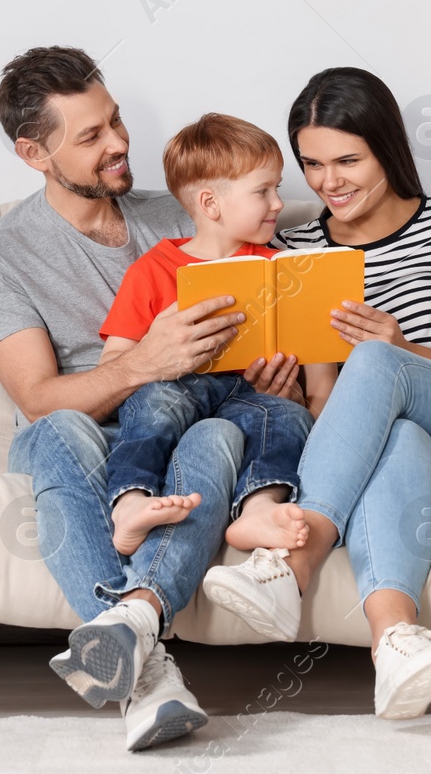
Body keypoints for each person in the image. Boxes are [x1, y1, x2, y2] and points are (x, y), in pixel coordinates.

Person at [0, 47, 301, 752]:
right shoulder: (2, 254)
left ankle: (135, 638)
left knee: (218, 439)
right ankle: (147, 677)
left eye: (114, 120)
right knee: (62, 430)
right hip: (85, 431)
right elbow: (37, 397)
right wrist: (142, 362)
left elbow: (279, 306)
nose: (119, 143)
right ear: (34, 152)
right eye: (90, 136)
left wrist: (282, 377)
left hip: (193, 422)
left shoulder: (184, 216)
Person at [201, 67, 431, 720]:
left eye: (349, 159)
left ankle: (291, 565)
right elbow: (330, 410)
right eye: (313, 164)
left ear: (388, 148)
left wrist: (400, 348)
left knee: (379, 360)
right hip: (389, 439)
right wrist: (285, 391)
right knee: (401, 435)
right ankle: (396, 647)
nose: (330, 180)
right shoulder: (294, 250)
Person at [97, 113, 330, 560]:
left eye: (277, 187)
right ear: (210, 203)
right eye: (263, 191)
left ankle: (258, 509)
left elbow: (322, 382)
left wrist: (300, 396)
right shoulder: (150, 271)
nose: (279, 202)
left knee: (286, 418)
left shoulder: (287, 270)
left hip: (251, 395)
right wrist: (155, 350)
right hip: (180, 390)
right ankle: (129, 503)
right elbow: (115, 368)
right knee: (152, 403)